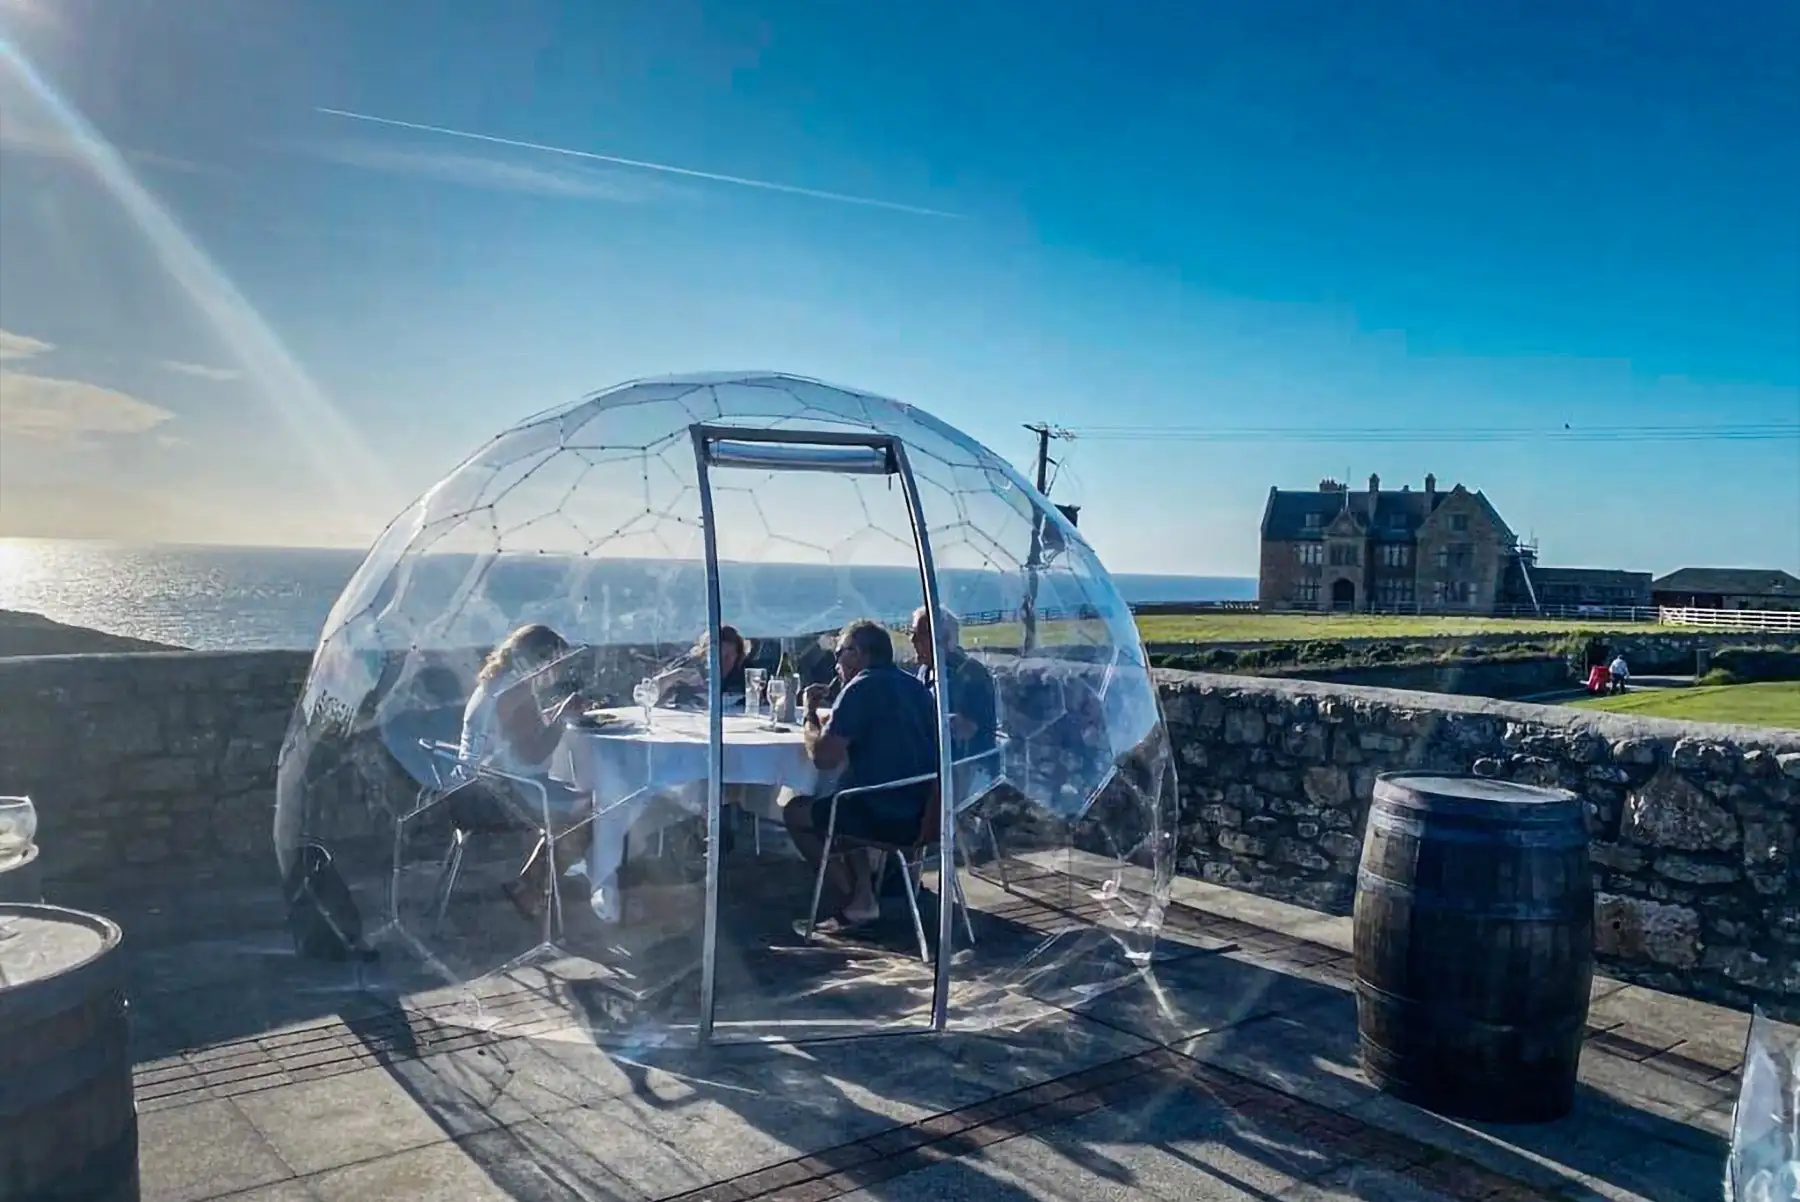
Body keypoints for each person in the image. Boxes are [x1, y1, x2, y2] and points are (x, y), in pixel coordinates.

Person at [783, 619, 938, 930]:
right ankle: (864, 897)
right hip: (924, 814)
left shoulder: (861, 688)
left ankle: (852, 899)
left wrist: (809, 715)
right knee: (842, 796)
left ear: (857, 653)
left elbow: (823, 758)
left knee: (795, 812)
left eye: (839, 653)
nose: (836, 663)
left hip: (884, 815)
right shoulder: (915, 687)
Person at [458, 623, 596, 920]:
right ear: (539, 659)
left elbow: (519, 732)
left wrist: (557, 711)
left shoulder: (496, 684)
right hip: (500, 797)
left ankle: (540, 876)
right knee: (593, 808)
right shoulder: (514, 691)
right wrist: (565, 718)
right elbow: (532, 753)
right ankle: (530, 885)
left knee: (574, 794)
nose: (558, 670)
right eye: (555, 662)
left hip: (471, 791)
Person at [908, 606, 998, 762]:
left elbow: (968, 729)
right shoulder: (926, 670)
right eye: (911, 632)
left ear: (945, 638)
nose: (913, 640)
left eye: (921, 634)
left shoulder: (971, 674)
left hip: (968, 769)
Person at [649, 625, 752, 710]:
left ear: (738, 656)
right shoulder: (689, 664)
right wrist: (675, 676)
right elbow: (649, 695)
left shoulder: (745, 671)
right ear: (704, 653)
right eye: (717, 656)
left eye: (728, 656)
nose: (722, 662)